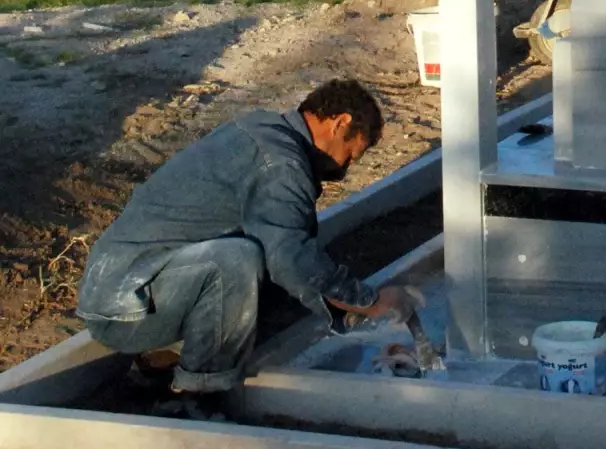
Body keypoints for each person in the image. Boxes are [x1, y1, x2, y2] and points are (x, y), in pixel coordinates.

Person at [77, 77, 419, 417]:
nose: (344, 169)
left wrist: (343, 310)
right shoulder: (281, 164)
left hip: (133, 289)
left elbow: (289, 248)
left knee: (262, 266)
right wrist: (368, 300)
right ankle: (194, 395)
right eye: (350, 154)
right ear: (339, 122)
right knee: (239, 259)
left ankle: (163, 357)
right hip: (126, 308)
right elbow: (291, 257)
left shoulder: (263, 130)